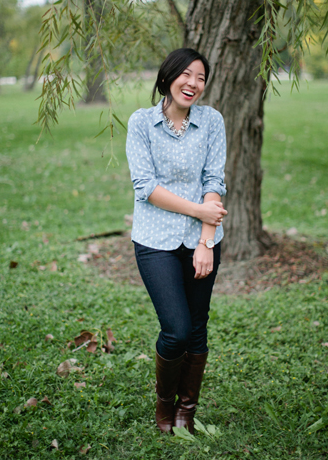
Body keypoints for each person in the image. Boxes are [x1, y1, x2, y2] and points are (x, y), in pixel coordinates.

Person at [125, 48, 228, 434]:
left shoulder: (211, 121)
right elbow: (145, 187)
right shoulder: (141, 123)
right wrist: (199, 212)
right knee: (176, 329)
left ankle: (187, 411)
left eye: (200, 77)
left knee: (197, 328)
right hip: (155, 240)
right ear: (168, 77)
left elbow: (214, 181)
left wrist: (206, 241)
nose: (193, 84)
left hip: (201, 240)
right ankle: (164, 405)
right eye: (186, 75)